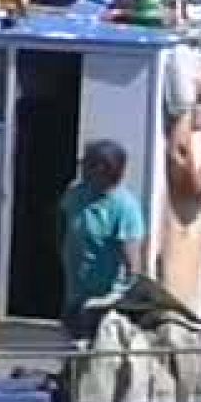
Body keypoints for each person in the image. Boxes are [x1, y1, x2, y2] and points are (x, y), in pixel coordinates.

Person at [59, 139, 147, 339]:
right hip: (75, 292)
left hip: (103, 302)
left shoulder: (125, 208)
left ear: (102, 169)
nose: (81, 167)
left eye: (87, 163)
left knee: (94, 354)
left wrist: (119, 302)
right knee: (72, 351)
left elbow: (133, 265)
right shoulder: (76, 193)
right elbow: (62, 222)